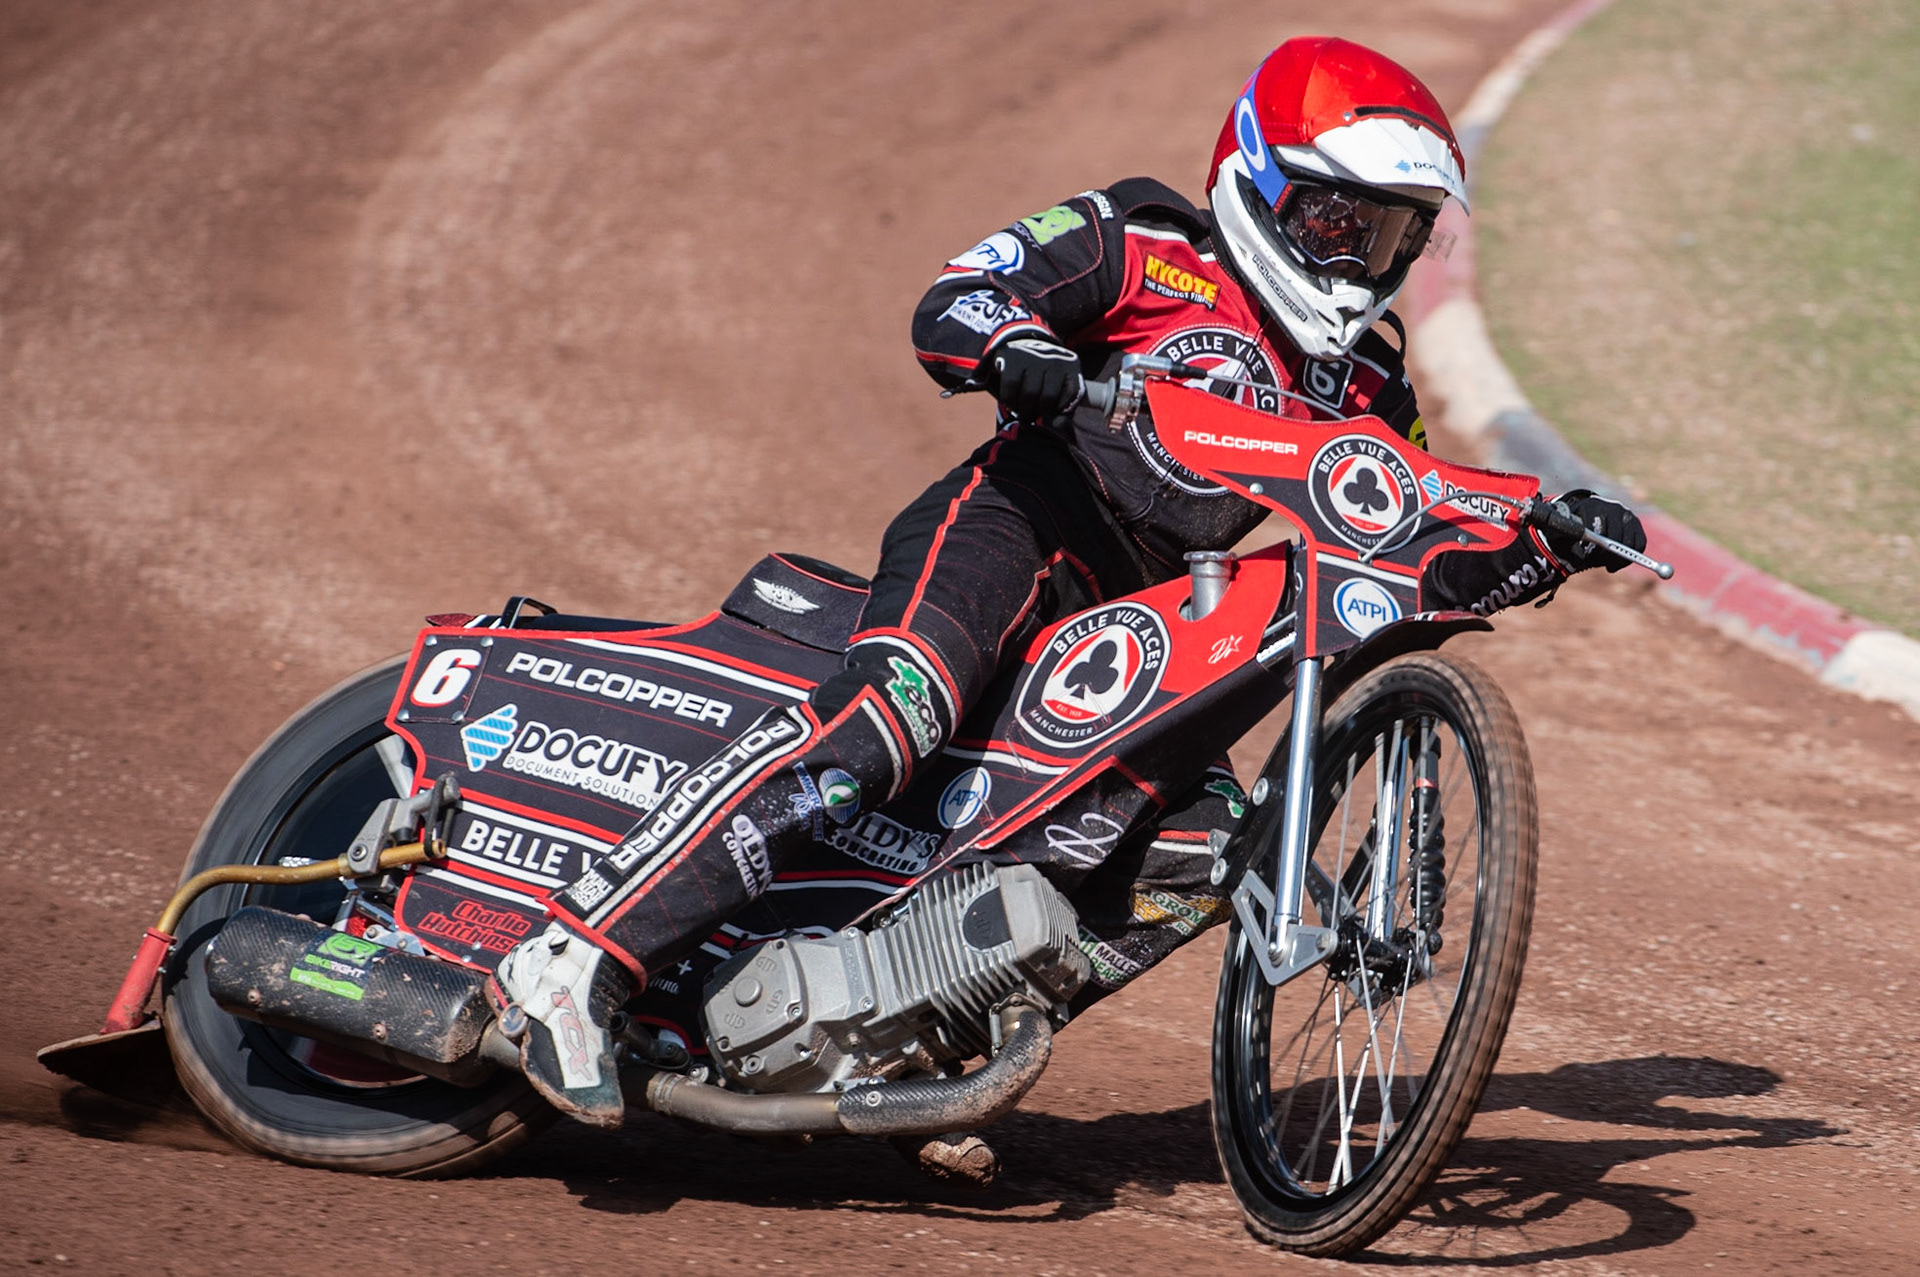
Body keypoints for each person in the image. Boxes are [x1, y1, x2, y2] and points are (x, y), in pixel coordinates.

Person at [490, 35, 1646, 1127]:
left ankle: (914, 1048)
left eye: (1392, 235)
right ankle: (578, 952)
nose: (1359, 259)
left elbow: (1407, 519)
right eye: (1338, 219)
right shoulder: (1145, 241)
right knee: (896, 711)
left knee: (1199, 850)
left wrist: (1541, 535)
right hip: (1012, 524)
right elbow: (961, 292)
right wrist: (1020, 351)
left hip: (1136, 624)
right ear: (1260, 179)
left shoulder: (1361, 389)